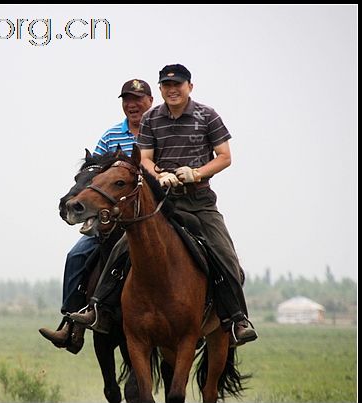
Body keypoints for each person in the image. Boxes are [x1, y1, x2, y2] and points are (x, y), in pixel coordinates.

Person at [70, 64, 257, 347]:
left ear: (189, 87)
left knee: (225, 254)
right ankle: (96, 307)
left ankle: (237, 320)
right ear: (160, 89)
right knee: (120, 250)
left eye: (178, 85)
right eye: (167, 85)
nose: (172, 90)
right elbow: (144, 159)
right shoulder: (152, 119)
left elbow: (224, 156)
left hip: (199, 202)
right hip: (163, 202)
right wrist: (160, 175)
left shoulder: (208, 116)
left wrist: (196, 173)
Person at [39, 79, 153, 347]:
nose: (132, 105)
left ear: (150, 101)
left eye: (137, 99)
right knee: (76, 254)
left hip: (149, 217)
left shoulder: (159, 132)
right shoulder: (111, 135)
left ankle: (221, 318)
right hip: (112, 219)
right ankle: (70, 323)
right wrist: (73, 196)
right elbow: (93, 174)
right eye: (127, 100)